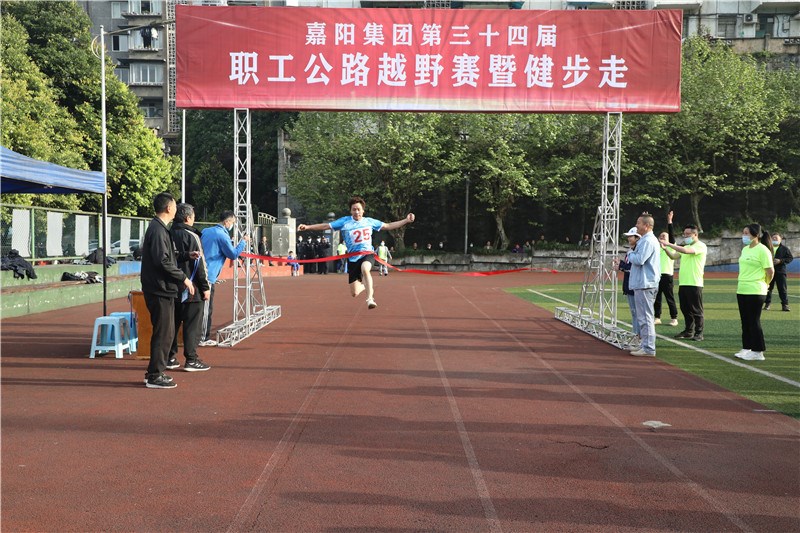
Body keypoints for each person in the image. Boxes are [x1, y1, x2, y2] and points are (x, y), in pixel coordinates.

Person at [298, 196, 414, 309]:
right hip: (353, 258)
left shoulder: (369, 221)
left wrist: (406, 220)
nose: (356, 212)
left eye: (359, 209)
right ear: (350, 211)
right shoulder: (344, 222)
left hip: (367, 254)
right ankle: (364, 286)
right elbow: (325, 226)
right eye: (354, 209)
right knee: (354, 293)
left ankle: (370, 299)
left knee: (365, 269)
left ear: (363, 210)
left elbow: (388, 226)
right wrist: (308, 227)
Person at [140, 192, 197, 389]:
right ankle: (155, 375)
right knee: (163, 333)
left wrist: (187, 255)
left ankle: (154, 372)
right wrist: (184, 278)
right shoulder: (157, 229)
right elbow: (162, 261)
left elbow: (169, 256)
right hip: (159, 289)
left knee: (166, 331)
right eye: (174, 205)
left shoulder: (162, 229)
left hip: (163, 289)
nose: (176, 209)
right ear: (168, 208)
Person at [168, 203, 211, 372]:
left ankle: (170, 357)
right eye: (193, 217)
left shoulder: (168, 233)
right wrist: (205, 286)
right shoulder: (192, 235)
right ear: (187, 218)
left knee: (173, 324)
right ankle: (191, 359)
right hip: (191, 287)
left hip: (171, 287)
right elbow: (200, 263)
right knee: (192, 325)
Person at [199, 210, 250, 346]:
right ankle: (203, 337)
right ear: (227, 222)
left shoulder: (206, 231)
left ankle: (198, 336)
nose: (232, 225)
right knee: (206, 308)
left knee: (199, 307)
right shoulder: (222, 235)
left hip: (201, 272)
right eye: (232, 222)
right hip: (208, 275)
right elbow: (233, 254)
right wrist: (243, 242)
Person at [661, 220, 707, 341]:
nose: (685, 236)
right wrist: (665, 249)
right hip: (684, 283)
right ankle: (688, 330)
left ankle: (699, 332)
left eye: (688, 234)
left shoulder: (700, 246)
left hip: (695, 283)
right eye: (684, 234)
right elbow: (673, 256)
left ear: (695, 234)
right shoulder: (686, 246)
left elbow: (686, 251)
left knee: (696, 310)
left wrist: (669, 244)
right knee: (685, 308)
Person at [734, 224, 775, 361]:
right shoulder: (745, 249)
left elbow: (770, 271)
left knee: (753, 321)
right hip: (742, 289)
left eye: (746, 233)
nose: (744, 236)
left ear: (755, 235)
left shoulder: (763, 250)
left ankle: (758, 351)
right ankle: (747, 348)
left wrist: (766, 283)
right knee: (745, 321)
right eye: (743, 233)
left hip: (756, 290)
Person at [626, 213, 661, 357]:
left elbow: (640, 259)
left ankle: (648, 348)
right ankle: (645, 345)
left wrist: (630, 253)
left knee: (645, 317)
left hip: (645, 283)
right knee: (643, 317)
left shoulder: (648, 241)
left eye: (639, 223)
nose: (636, 225)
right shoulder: (646, 240)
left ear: (646, 226)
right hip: (643, 282)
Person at [615, 227, 641, 350]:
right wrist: (620, 264)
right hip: (629, 285)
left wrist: (621, 266)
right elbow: (628, 266)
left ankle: (638, 336)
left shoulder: (638, 251)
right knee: (634, 312)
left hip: (636, 285)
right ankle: (635, 335)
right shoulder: (630, 251)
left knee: (638, 313)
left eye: (631, 236)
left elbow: (633, 268)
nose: (629, 238)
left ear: (637, 238)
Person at [653, 211, 679, 327]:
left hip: (667, 276)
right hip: (656, 276)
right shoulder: (656, 248)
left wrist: (669, 222)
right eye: (661, 236)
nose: (662, 237)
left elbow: (671, 236)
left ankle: (674, 318)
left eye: (664, 236)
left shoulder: (671, 247)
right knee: (657, 298)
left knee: (669, 298)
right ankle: (657, 317)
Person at [765, 232, 793, 311]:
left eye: (776, 238)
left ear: (780, 239)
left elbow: (790, 258)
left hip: (780, 272)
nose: (774, 239)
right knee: (768, 288)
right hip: (769, 271)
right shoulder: (767, 248)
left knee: (782, 289)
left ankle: (785, 305)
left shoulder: (784, 249)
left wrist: (780, 261)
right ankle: (767, 304)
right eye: (773, 238)